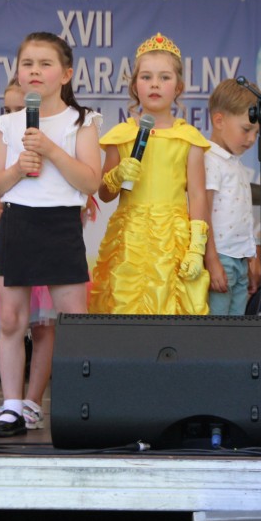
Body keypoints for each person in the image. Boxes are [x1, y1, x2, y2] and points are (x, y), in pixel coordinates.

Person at [0, 33, 101, 438]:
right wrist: (18, 168)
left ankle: (78, 405)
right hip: (18, 223)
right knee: (12, 319)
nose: (35, 71)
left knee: (72, 321)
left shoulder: (82, 121)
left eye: (45, 63)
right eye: (27, 63)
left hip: (60, 224)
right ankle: (13, 407)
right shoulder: (9, 124)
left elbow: (90, 180)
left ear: (65, 74)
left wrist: (50, 149)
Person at [88, 32, 211, 315]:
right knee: (124, 308)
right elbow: (105, 195)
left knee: (171, 309)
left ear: (178, 87)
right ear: (135, 86)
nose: (155, 84)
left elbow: (197, 196)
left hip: (173, 240)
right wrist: (116, 176)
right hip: (129, 239)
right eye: (146, 77)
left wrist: (196, 248)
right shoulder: (122, 135)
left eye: (164, 77)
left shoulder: (188, 138)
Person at [0, 79, 56, 431]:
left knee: (44, 328)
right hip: (14, 243)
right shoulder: (6, 152)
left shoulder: (52, 146)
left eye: (20, 109)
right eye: (8, 110)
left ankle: (33, 402)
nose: (14, 115)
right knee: (13, 323)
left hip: (47, 243)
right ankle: (12, 404)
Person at [203, 78, 261, 316]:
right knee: (217, 328)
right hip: (220, 257)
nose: (252, 139)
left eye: (256, 133)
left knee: (237, 326)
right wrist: (211, 260)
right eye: (246, 130)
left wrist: (250, 257)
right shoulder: (209, 159)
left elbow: (242, 216)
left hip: (240, 258)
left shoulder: (235, 163)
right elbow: (202, 214)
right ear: (219, 121)